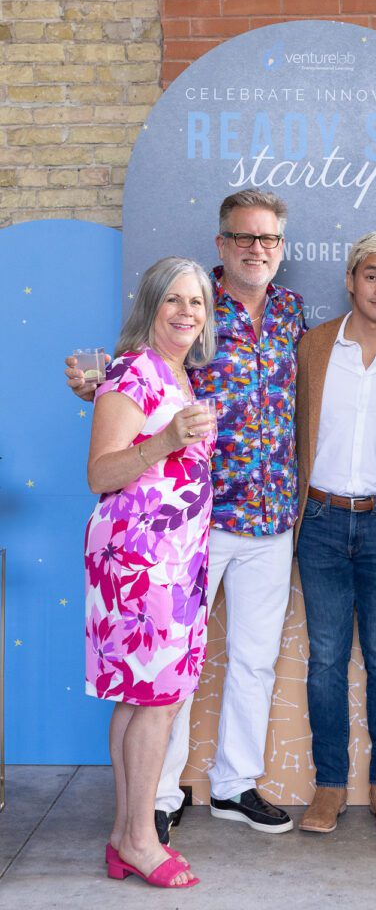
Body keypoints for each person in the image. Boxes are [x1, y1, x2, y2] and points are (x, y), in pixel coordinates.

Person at [69, 190, 304, 839]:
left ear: (281, 249)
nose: (258, 249)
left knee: (249, 659)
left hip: (270, 514)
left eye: (269, 240)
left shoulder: (291, 312)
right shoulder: (191, 307)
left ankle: (234, 785)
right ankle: (159, 800)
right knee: (165, 674)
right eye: (244, 238)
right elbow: (128, 378)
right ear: (222, 243)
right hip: (181, 528)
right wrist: (95, 382)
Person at [85, 256, 216, 888]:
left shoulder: (176, 375)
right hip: (140, 561)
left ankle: (122, 836)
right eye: (174, 300)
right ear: (151, 306)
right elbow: (101, 474)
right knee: (157, 702)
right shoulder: (133, 372)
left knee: (147, 700)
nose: (187, 311)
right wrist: (166, 441)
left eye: (197, 302)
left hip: (176, 560)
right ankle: (141, 839)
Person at [295, 231, 376, 834]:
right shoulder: (314, 346)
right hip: (319, 520)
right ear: (350, 279)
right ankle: (328, 787)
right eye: (371, 275)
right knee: (325, 660)